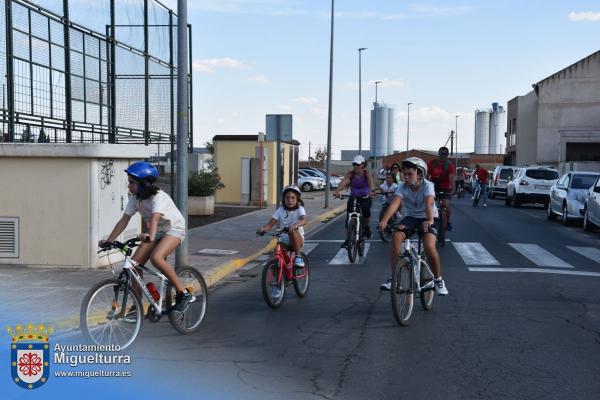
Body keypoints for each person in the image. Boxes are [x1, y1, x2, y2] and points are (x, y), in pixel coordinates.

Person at [99, 161, 194, 313]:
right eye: (128, 182)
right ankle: (136, 308)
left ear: (143, 183)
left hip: (174, 229)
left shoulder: (158, 197)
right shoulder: (135, 199)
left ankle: (183, 293)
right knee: (133, 267)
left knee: (157, 258)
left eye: (132, 182)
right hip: (155, 233)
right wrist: (109, 241)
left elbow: (155, 218)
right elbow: (124, 221)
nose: (129, 186)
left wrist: (150, 236)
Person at [378, 157, 448, 295]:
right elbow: (395, 203)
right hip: (411, 218)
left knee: (428, 245)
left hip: (429, 217)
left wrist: (429, 220)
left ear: (420, 174)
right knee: (396, 236)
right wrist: (384, 220)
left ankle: (438, 279)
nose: (406, 177)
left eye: (410, 174)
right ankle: (395, 279)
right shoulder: (402, 187)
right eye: (404, 174)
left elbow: (429, 203)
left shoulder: (428, 186)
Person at [257, 185, 307, 272]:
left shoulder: (300, 209)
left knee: (291, 231)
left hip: (297, 239)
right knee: (276, 255)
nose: (290, 200)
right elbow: (270, 224)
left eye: (293, 198)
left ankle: (298, 257)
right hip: (284, 240)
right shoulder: (280, 210)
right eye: (287, 198)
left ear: (297, 199)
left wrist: (295, 225)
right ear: (284, 199)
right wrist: (263, 229)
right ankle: (283, 273)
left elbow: (304, 220)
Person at [334, 155, 374, 246]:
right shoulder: (350, 174)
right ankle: (348, 239)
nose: (355, 166)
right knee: (349, 216)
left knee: (366, 211)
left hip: (365, 196)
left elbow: (370, 183)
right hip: (354, 197)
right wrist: (337, 191)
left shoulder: (366, 173)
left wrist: (371, 191)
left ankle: (366, 228)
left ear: (362, 165)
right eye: (354, 164)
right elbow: (344, 182)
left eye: (357, 164)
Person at [427, 146, 456, 231]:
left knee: (446, 204)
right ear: (438, 154)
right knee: (431, 205)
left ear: (447, 155)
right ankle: (430, 220)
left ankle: (448, 222)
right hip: (433, 186)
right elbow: (427, 175)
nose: (443, 156)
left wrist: (453, 189)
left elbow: (451, 178)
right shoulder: (432, 163)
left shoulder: (449, 165)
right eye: (441, 154)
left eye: (445, 154)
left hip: (445, 187)